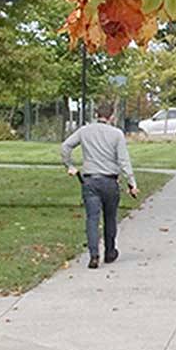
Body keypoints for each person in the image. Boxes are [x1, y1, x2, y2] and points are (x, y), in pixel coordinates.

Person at [61, 102, 138, 268]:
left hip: (90, 181)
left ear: (96, 114)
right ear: (112, 116)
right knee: (110, 218)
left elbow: (66, 146)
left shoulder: (84, 131)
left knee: (92, 218)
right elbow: (124, 161)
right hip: (110, 181)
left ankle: (94, 255)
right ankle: (110, 252)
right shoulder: (117, 134)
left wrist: (70, 166)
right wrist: (131, 183)